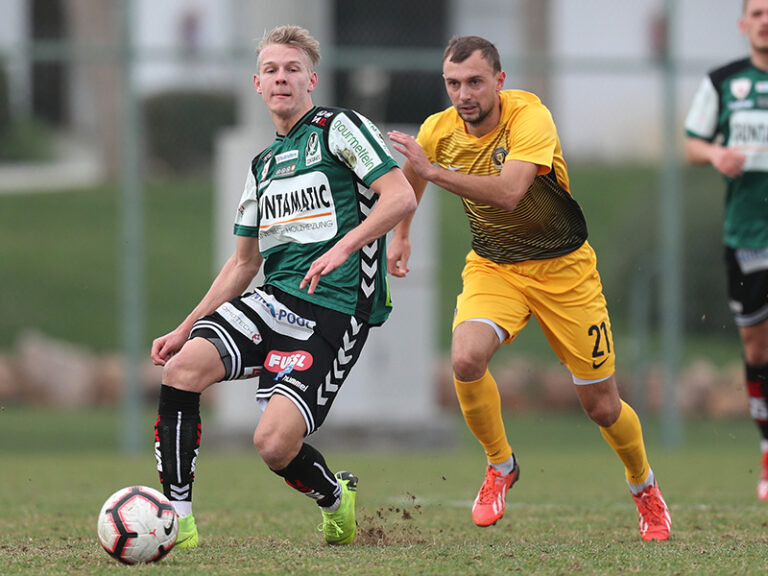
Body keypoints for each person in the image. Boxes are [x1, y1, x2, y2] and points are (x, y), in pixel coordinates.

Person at [387, 35, 671, 541]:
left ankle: (643, 485)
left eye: (475, 81)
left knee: (603, 407)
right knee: (465, 358)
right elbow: (413, 175)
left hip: (565, 272)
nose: (463, 94)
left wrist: (434, 171)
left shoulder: (529, 117)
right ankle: (501, 465)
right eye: (453, 83)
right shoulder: (438, 131)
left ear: (499, 80)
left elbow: (512, 193)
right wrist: (403, 232)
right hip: (496, 269)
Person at [150, 25, 416, 547]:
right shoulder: (263, 165)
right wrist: (185, 328)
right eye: (271, 70)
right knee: (181, 370)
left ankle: (336, 497)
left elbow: (400, 196)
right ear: (257, 83)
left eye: (292, 69)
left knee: (273, 445)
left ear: (311, 78)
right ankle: (176, 520)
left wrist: (343, 247)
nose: (282, 78)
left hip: (336, 311)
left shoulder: (339, 128)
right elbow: (242, 263)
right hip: (272, 301)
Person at [684, 0, 768, 500]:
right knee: (758, 348)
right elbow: (693, 142)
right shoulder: (723, 82)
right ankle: (766, 447)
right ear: (743, 25)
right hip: (747, 235)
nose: (765, 20)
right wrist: (717, 153)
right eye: (756, 12)